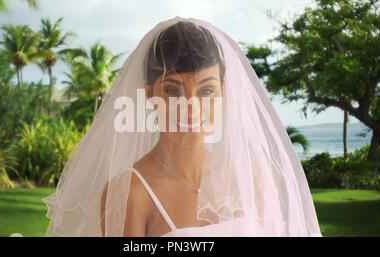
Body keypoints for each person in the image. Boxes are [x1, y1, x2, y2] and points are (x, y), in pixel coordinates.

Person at [42, 16, 322, 237]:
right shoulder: (129, 193)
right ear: (150, 95)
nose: (192, 107)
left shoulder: (251, 178)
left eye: (206, 91)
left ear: (224, 91)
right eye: (173, 91)